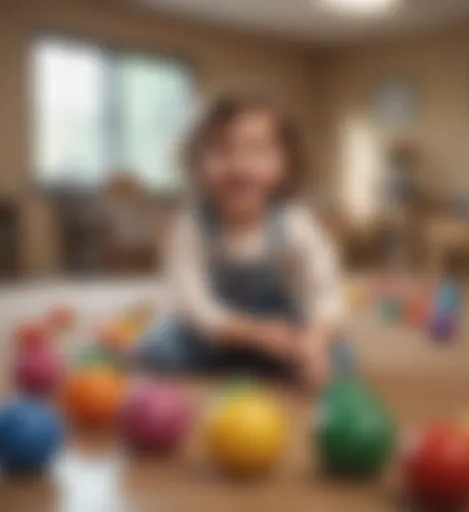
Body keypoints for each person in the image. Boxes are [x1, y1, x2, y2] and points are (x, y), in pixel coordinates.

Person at [136, 90, 347, 389]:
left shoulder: (295, 224)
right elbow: (192, 303)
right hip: (214, 335)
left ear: (285, 163)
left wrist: (316, 338)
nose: (239, 164)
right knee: (158, 348)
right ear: (197, 161)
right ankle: (243, 364)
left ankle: (256, 363)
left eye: (258, 151)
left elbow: (324, 291)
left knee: (340, 357)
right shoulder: (191, 226)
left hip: (280, 334)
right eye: (222, 150)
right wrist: (250, 333)